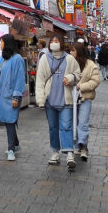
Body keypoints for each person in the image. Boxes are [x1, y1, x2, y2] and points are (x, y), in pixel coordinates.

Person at [35, 34, 81, 169]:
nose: (54, 43)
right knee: (53, 127)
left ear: (62, 43)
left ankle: (69, 154)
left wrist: (70, 77)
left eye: (57, 40)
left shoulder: (69, 59)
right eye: (53, 41)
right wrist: (40, 99)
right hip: (50, 100)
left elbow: (78, 74)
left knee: (66, 126)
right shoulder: (44, 59)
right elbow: (40, 80)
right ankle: (55, 152)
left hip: (65, 100)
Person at [0, 34, 26, 161]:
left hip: (10, 96)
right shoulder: (2, 58)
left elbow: (20, 79)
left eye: (1, 42)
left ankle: (11, 149)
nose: (0, 44)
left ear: (7, 43)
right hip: (1, 95)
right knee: (8, 120)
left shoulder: (17, 59)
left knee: (10, 121)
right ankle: (15, 144)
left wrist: (16, 97)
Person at [73, 41, 100, 161]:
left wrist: (81, 86)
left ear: (79, 52)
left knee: (83, 123)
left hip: (85, 98)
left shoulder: (90, 65)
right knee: (74, 123)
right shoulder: (68, 63)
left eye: (73, 50)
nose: (71, 53)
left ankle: (83, 146)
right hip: (71, 99)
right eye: (70, 50)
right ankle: (77, 145)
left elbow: (95, 81)